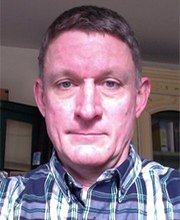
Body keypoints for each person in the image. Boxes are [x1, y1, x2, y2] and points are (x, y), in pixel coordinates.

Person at [0, 5, 179, 220]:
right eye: (66, 84)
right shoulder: (5, 199)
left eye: (110, 84)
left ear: (139, 99)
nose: (87, 110)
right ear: (42, 100)